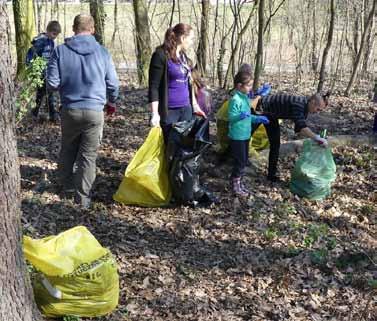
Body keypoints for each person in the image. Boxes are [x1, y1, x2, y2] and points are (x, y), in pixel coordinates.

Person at [47, 14, 119, 208]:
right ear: (93, 29)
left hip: (70, 109)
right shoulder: (102, 52)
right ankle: (83, 199)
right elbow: (113, 84)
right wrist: (111, 102)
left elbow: (52, 83)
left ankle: (65, 189)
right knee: (88, 156)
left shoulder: (60, 51)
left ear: (73, 28)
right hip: (95, 111)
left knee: (68, 148)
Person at [254, 92, 330, 182]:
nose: (317, 112)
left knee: (275, 145)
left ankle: (271, 176)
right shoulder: (299, 105)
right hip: (260, 108)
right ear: (312, 102)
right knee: (245, 136)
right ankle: (238, 166)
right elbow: (302, 128)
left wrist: (315, 140)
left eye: (320, 110)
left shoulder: (305, 109)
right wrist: (316, 138)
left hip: (272, 115)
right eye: (318, 109)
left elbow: (299, 129)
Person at [148, 23, 205, 141]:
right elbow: (153, 87)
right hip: (169, 111)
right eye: (191, 39)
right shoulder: (160, 55)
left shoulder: (183, 57)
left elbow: (188, 82)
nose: (192, 42)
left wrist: (194, 105)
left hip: (186, 109)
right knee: (171, 149)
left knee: (185, 147)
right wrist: (154, 114)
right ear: (183, 38)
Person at [228, 71, 269, 196]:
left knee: (244, 160)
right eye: (249, 85)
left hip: (245, 135)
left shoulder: (245, 98)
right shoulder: (235, 100)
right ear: (239, 86)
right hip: (237, 136)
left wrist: (258, 119)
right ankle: (235, 185)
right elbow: (231, 118)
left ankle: (240, 183)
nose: (251, 88)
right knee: (240, 161)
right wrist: (239, 116)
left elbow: (248, 116)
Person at [26, 20, 61, 122]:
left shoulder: (50, 41)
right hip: (41, 72)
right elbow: (32, 55)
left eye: (56, 35)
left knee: (45, 92)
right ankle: (51, 114)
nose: (55, 36)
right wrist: (33, 69)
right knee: (47, 92)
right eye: (54, 34)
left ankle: (40, 111)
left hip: (47, 72)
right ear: (48, 31)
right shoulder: (41, 41)